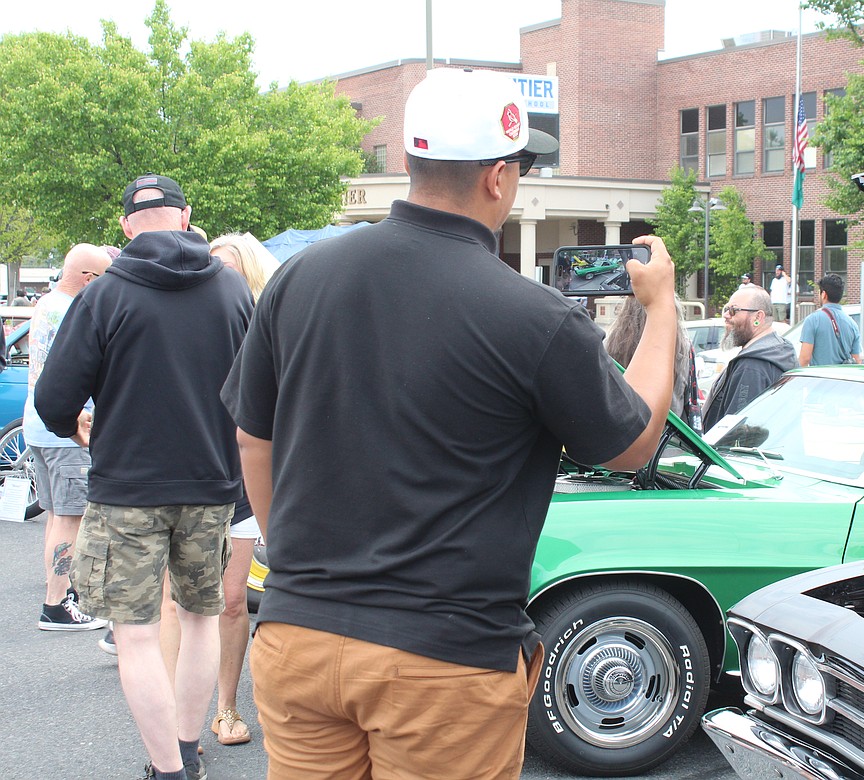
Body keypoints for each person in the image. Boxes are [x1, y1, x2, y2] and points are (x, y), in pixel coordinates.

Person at [221, 67, 676, 780]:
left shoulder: (300, 278)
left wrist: (290, 556)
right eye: (521, 167)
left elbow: (254, 435)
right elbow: (633, 443)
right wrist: (662, 309)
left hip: (298, 636)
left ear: (409, 160)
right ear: (498, 177)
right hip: (443, 659)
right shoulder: (531, 316)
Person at [35, 173, 252, 780]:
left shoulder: (104, 294)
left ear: (127, 226)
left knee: (134, 633)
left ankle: (168, 770)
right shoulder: (232, 291)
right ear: (186, 218)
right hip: (212, 484)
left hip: (128, 489)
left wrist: (84, 425)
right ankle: (185, 751)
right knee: (201, 619)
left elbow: (54, 401)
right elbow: (263, 387)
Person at [201, 231, 279, 747]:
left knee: (232, 601)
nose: (216, 277)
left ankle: (226, 706)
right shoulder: (193, 320)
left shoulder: (264, 330)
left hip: (243, 482)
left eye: (227, 268)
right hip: (190, 476)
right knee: (181, 605)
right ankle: (176, 722)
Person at [29, 243, 111, 632]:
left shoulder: (46, 304)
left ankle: (60, 593)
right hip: (69, 431)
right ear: (89, 278)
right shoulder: (73, 311)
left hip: (37, 427)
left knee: (55, 516)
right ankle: (57, 604)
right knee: (70, 518)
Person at [701, 286, 796, 430]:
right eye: (726, 309)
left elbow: (737, 434)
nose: (726, 315)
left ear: (758, 317)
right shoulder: (780, 350)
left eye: (733, 310)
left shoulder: (752, 366)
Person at [606, 296, 702, 431]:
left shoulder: (611, 344)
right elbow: (688, 401)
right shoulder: (680, 346)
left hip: (622, 436)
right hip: (667, 439)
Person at [798, 273, 862, 367]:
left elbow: (804, 359)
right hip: (843, 380)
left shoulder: (812, 320)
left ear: (824, 294)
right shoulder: (852, 324)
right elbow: (857, 360)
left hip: (819, 379)